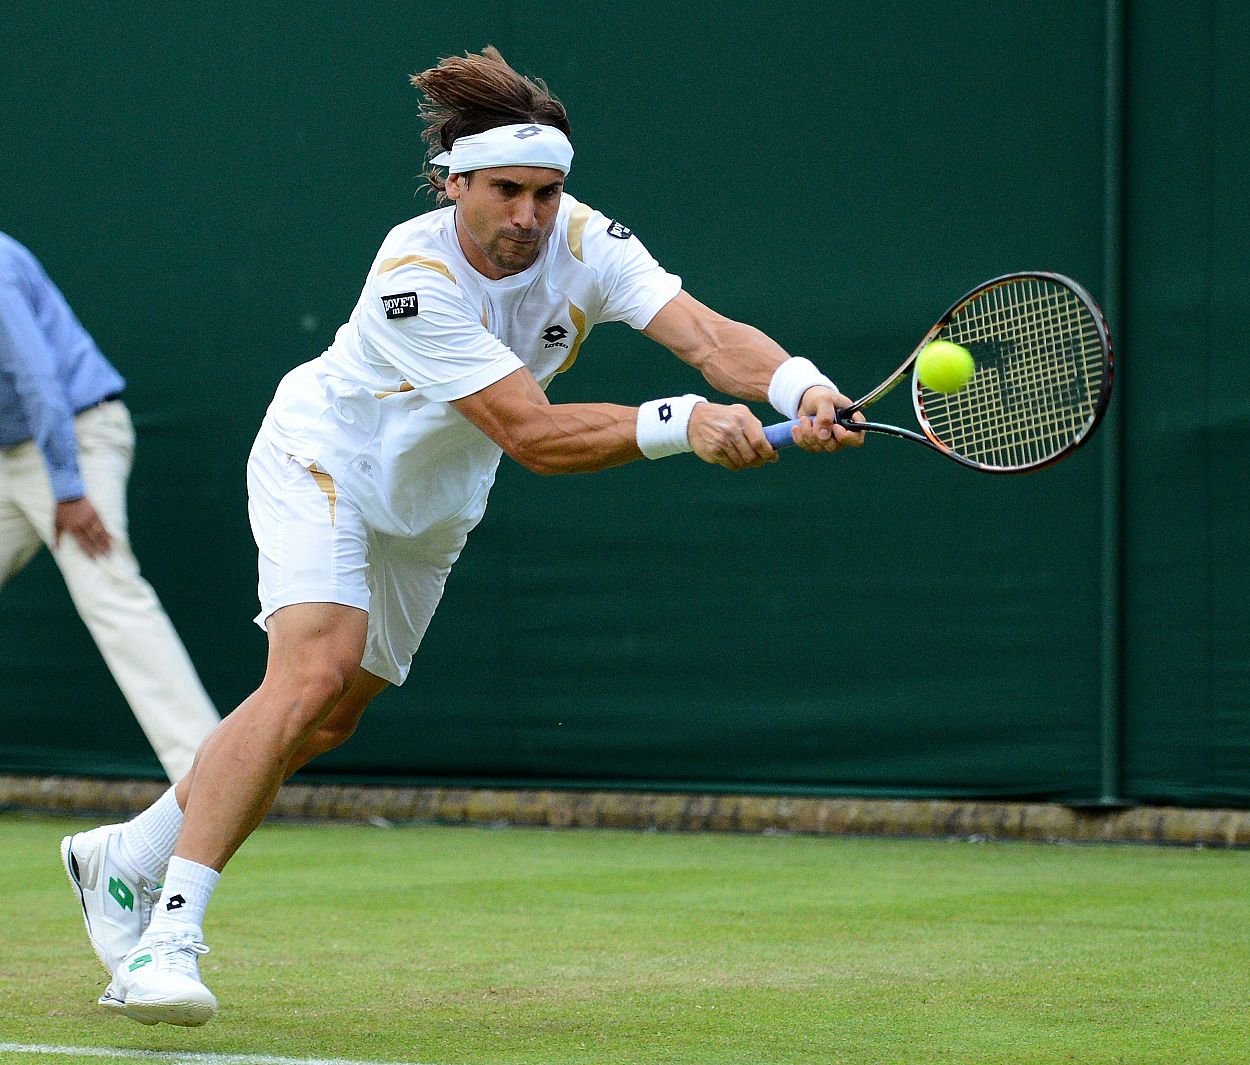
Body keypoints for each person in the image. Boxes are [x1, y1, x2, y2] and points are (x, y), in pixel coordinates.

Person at [59, 47, 861, 1026]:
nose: (528, 216)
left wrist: (800, 386)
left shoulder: (587, 240)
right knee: (310, 672)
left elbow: (703, 334)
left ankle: (125, 858)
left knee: (330, 716)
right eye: (505, 191)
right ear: (454, 184)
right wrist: (680, 424)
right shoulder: (414, 276)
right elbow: (531, 434)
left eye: (546, 191)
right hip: (324, 463)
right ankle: (163, 942)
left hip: (431, 505)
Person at [0, 146, 220, 821]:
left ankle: (213, 776)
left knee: (110, 590)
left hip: (78, 440)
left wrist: (68, 487)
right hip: (9, 458)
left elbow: (39, 379)